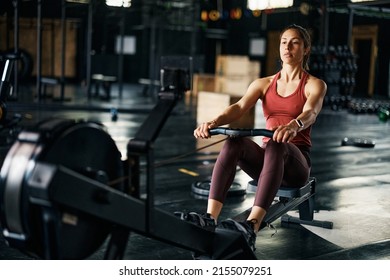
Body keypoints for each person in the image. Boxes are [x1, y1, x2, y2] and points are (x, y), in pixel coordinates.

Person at [189, 24, 327, 251]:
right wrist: (213, 122)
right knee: (234, 143)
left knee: (276, 144)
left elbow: (310, 112)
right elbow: (239, 107)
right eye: (284, 42)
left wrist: (294, 125)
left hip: (296, 164)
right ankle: (209, 218)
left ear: (306, 49)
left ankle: (251, 226)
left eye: (294, 42)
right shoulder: (263, 84)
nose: (287, 47)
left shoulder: (314, 84)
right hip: (268, 161)